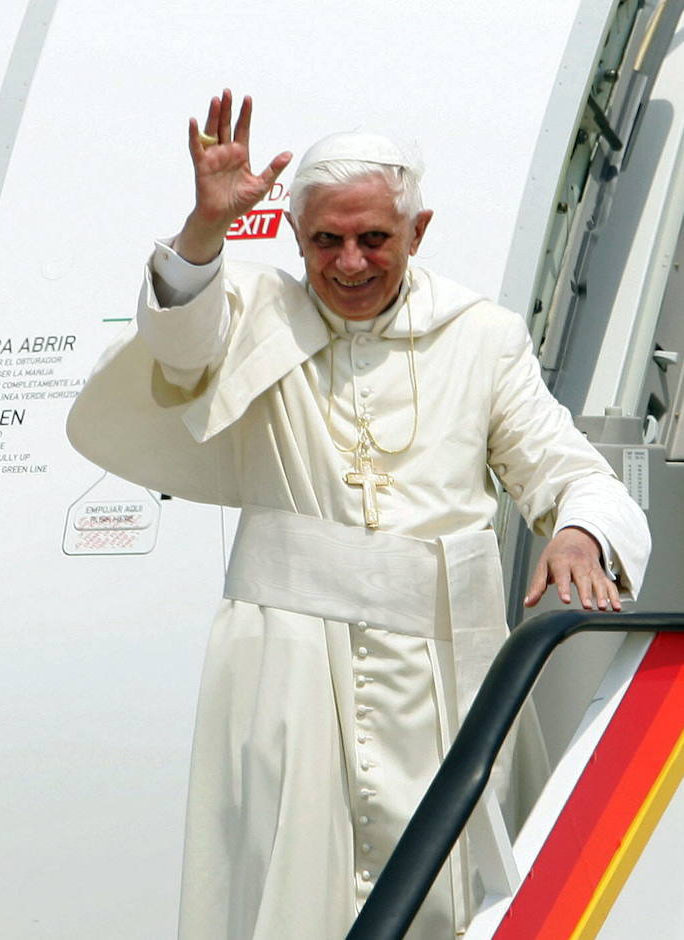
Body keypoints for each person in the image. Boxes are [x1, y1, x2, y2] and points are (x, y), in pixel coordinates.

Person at [66, 90, 651, 938]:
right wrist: (204, 229)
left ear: (417, 232)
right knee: (290, 895)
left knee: (453, 900)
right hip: (290, 667)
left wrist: (578, 529)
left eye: (373, 238)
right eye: (324, 241)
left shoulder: (480, 336)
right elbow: (178, 344)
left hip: (447, 676)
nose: (347, 264)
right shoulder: (252, 315)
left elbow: (569, 471)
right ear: (297, 238)